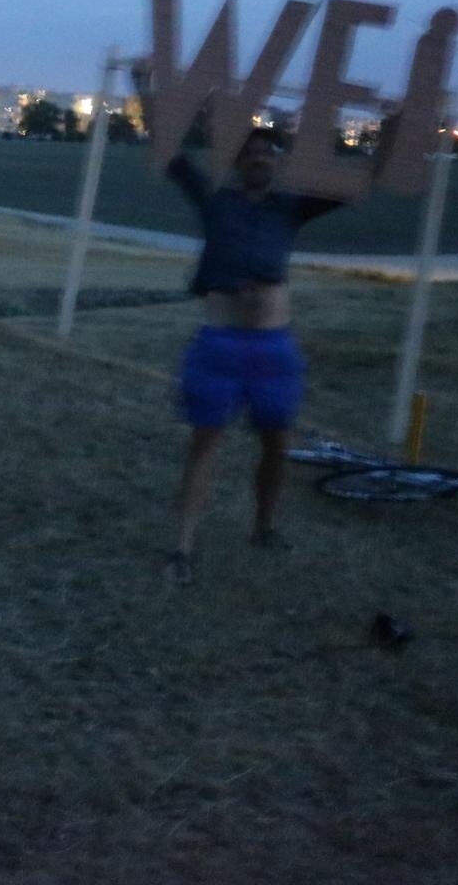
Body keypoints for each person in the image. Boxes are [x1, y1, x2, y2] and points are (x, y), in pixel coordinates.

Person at [155, 118, 397, 584]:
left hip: (273, 349)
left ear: (277, 162)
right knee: (204, 445)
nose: (259, 157)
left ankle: (264, 527)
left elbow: (362, 179)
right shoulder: (215, 201)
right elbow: (170, 152)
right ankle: (182, 547)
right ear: (238, 161)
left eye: (267, 151)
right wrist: (143, 84)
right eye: (250, 151)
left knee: (276, 444)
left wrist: (392, 129)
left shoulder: (290, 209)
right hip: (219, 344)